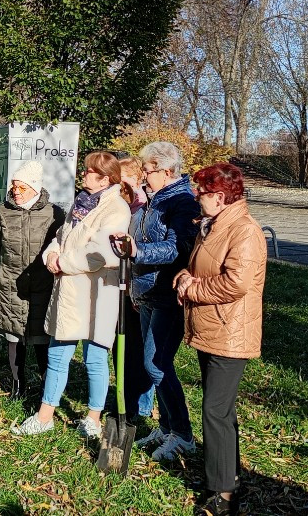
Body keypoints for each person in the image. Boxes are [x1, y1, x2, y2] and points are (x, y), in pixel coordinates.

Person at [12, 151, 132, 438]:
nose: (84, 175)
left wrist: (63, 263)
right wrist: (52, 254)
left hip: (97, 293)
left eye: (90, 172)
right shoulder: (82, 203)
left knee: (95, 358)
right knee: (58, 354)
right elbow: (61, 236)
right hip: (68, 291)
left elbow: (102, 252)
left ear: (105, 179)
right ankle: (45, 416)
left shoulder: (117, 209)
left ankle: (93, 417)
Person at [174, 163, 267, 516]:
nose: (197, 197)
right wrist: (185, 275)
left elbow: (236, 284)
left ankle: (224, 496)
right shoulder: (212, 226)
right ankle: (223, 476)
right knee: (220, 412)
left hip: (231, 331)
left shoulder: (244, 230)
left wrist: (193, 288)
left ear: (219, 195)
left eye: (201, 192)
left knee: (214, 410)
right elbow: (200, 265)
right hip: (211, 326)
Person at [121, 141, 200, 461]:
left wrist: (138, 252)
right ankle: (166, 428)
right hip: (146, 292)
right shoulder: (156, 199)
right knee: (152, 363)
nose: (143, 176)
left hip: (167, 293)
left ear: (167, 172)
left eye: (148, 170)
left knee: (157, 364)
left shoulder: (180, 202)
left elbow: (177, 248)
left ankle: (183, 434)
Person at [0, 161, 64, 399]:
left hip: (43, 285)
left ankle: (46, 388)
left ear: (35, 188)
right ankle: (17, 385)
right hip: (11, 284)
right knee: (14, 337)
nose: (16, 193)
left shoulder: (55, 213)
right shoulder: (2, 211)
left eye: (22, 188)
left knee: (43, 338)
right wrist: (4, 273)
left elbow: (60, 246)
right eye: (14, 187)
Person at [118, 155, 155, 421]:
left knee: (139, 349)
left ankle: (141, 405)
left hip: (137, 285)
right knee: (125, 347)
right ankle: (126, 399)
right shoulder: (124, 202)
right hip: (122, 284)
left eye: (123, 179)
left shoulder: (141, 205)